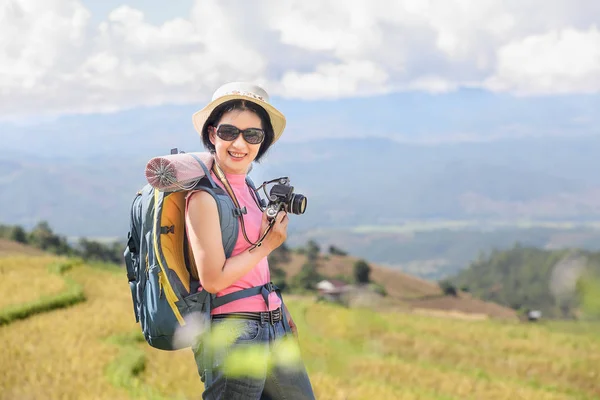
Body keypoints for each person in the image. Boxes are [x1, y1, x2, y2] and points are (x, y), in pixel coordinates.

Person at [184, 82, 316, 400]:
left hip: (271, 322)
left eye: (252, 135)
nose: (240, 143)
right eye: (230, 132)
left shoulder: (248, 187)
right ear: (213, 133)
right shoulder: (204, 196)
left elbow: (253, 267)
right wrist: (268, 244)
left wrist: (279, 313)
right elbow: (213, 279)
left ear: (263, 141)